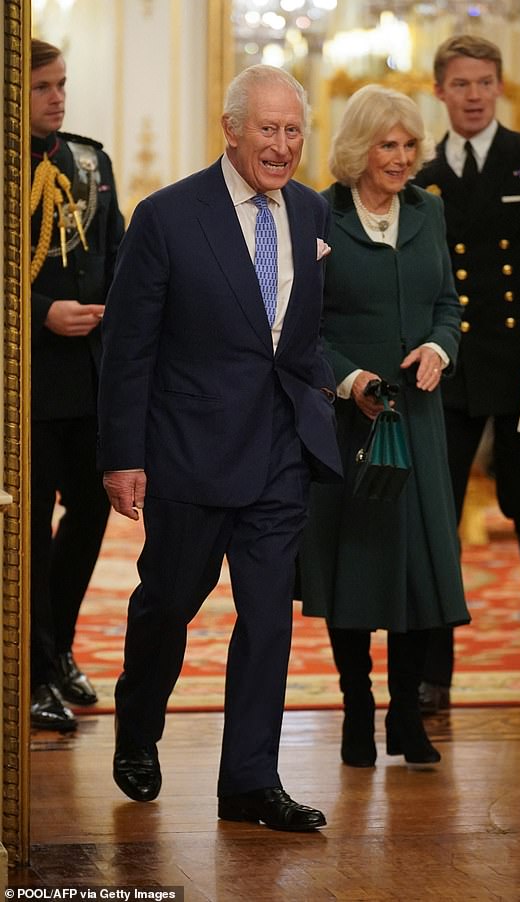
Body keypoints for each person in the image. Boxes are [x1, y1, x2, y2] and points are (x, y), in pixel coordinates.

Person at [97, 64, 342, 830]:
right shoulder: (166, 216)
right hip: (190, 451)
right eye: (267, 129)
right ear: (231, 129)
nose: (282, 145)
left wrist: (334, 393)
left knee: (269, 616)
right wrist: (121, 455)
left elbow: (300, 339)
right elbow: (129, 345)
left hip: (279, 450)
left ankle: (248, 782)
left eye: (293, 130)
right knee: (169, 604)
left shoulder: (311, 213)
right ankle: (138, 728)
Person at [413, 34, 520, 711]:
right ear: (440, 92)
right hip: (451, 372)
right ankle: (436, 667)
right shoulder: (423, 178)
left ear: (501, 86)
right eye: (462, 84)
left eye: (486, 82)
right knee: (437, 520)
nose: (475, 95)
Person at [298, 85, 470, 769]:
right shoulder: (320, 214)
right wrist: (351, 382)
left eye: (409, 146)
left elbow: (449, 306)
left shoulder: (430, 212)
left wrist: (439, 349)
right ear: (357, 149)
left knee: (412, 571)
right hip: (348, 419)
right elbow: (303, 327)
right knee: (352, 569)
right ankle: (356, 710)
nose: (401, 159)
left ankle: (404, 716)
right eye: (386, 145)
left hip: (417, 420)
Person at [29, 39, 124, 731]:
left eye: (61, 84)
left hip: (90, 380)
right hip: (25, 381)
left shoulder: (89, 160)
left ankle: (55, 646)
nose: (58, 98)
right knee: (28, 533)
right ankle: (29, 673)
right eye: (42, 88)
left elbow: (115, 254)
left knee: (90, 516)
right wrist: (41, 314)